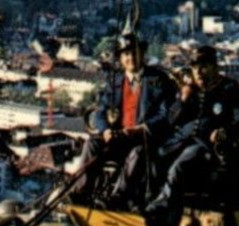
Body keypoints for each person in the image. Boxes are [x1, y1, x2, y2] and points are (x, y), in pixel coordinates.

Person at [142, 46, 239, 226]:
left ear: (214, 67)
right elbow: (171, 120)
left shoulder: (229, 89)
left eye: (204, 67)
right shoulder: (190, 89)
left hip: (207, 148)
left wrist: (225, 131)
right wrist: (183, 99)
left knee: (179, 168)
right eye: (195, 68)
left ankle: (159, 209)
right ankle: (161, 216)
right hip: (180, 142)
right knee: (153, 158)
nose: (199, 72)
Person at [70, 30, 176, 207]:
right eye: (126, 54)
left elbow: (166, 114)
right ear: (121, 58)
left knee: (138, 153)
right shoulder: (115, 82)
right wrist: (105, 130)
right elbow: (101, 111)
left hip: (143, 140)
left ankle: (118, 197)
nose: (131, 57)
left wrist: (142, 128)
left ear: (142, 54)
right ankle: (81, 192)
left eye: (134, 52)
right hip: (117, 138)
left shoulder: (158, 80)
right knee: (92, 144)